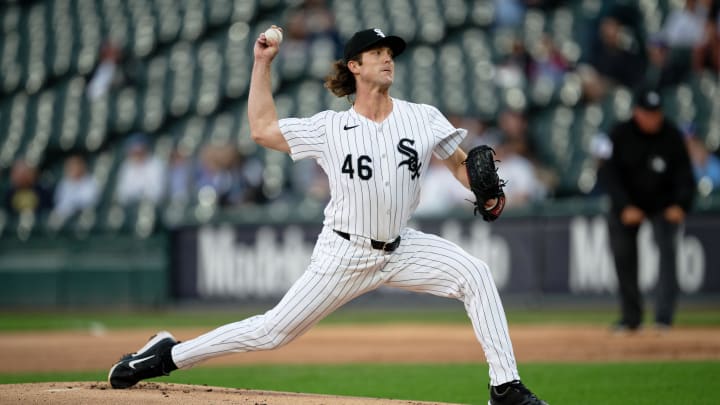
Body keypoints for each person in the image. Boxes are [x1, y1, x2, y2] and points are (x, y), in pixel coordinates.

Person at [108, 27, 548, 405]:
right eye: (377, 54)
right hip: (344, 252)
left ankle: (504, 387)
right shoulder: (330, 127)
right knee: (271, 332)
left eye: (390, 54)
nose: (387, 59)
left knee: (475, 273)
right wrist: (262, 63)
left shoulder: (422, 117)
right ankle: (167, 355)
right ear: (354, 66)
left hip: (402, 245)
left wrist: (483, 189)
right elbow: (261, 129)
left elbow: (459, 162)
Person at [602, 88, 695, 333]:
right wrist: (624, 207)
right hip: (628, 203)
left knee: (668, 253)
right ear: (637, 112)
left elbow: (685, 175)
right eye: (647, 113)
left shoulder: (672, 135)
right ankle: (631, 317)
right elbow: (610, 176)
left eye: (656, 113)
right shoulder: (620, 133)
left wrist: (680, 204)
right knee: (623, 254)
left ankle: (664, 317)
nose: (653, 118)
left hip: (663, 203)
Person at [115, 133, 166, 205]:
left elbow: (158, 192)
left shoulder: (155, 164)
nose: (137, 156)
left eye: (139, 152)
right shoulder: (126, 166)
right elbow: (122, 193)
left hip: (152, 206)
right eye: (134, 152)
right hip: (130, 206)